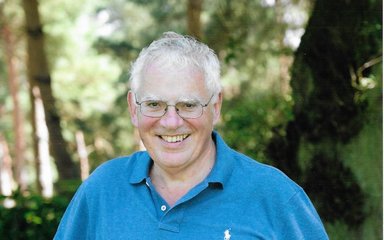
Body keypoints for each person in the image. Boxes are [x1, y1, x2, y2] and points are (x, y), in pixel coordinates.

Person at [54, 32, 328, 239]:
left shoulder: (275, 196)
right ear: (133, 109)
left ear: (215, 107)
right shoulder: (102, 190)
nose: (171, 122)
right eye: (154, 104)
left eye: (188, 105)